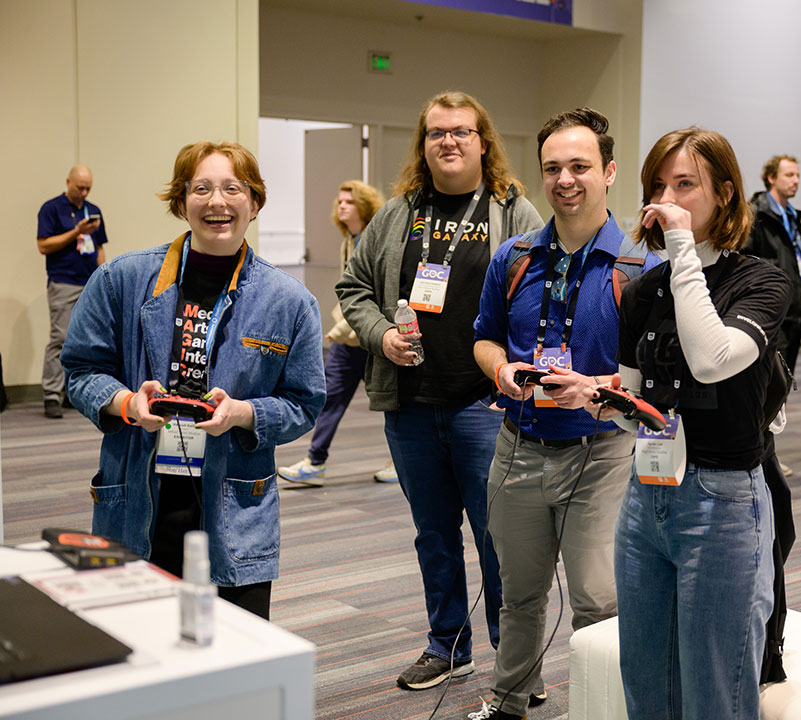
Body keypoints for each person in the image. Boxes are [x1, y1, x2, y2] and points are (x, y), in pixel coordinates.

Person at [61, 141, 326, 619]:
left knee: (235, 653)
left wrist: (244, 412)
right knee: (137, 642)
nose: (217, 202)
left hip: (234, 500)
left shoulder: (289, 301)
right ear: (181, 202)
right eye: (201, 188)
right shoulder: (121, 280)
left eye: (232, 188)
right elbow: (80, 370)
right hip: (141, 493)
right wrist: (125, 403)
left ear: (255, 202)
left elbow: (304, 403)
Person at [336, 90, 544, 691]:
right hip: (411, 406)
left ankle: (515, 659)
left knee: (498, 537)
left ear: (483, 142)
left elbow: (543, 293)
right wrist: (379, 338)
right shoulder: (401, 212)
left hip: (486, 405)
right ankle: (447, 644)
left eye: (460, 131)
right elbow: (354, 288)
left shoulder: (514, 211)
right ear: (422, 143)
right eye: (435, 133)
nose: (447, 142)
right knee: (433, 534)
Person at [587, 128, 790, 720]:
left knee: (715, 695)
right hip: (646, 496)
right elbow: (634, 403)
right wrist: (599, 399)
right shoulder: (643, 290)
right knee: (646, 686)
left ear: (725, 194)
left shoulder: (760, 280)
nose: (666, 197)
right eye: (658, 185)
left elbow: (712, 359)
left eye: (685, 185)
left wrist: (678, 244)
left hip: (723, 501)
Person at [469, 108, 660, 720]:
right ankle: (509, 702)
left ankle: (602, 709)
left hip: (602, 454)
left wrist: (598, 387)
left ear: (608, 172)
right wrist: (502, 372)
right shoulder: (516, 256)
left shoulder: (640, 268)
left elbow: (655, 374)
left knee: (598, 600)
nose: (565, 179)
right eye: (552, 168)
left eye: (579, 166)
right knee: (518, 595)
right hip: (519, 444)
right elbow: (484, 338)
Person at [277, 180, 398, 485]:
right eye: (340, 201)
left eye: (349, 201)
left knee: (391, 402)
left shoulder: (376, 238)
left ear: (364, 206)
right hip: (350, 338)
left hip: (374, 338)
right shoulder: (349, 239)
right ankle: (315, 461)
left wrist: (341, 327)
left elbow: (375, 294)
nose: (341, 206)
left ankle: (400, 462)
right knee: (330, 395)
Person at [36, 165, 108, 418]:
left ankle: (71, 392)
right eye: (80, 187)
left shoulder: (94, 211)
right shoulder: (51, 208)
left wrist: (103, 278)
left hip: (89, 282)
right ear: (68, 182)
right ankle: (51, 395)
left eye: (88, 187)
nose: (84, 192)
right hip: (63, 282)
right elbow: (43, 245)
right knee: (60, 338)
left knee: (85, 340)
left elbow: (99, 248)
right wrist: (77, 232)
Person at [745, 154, 801, 373]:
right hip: (772, 311)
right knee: (769, 378)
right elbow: (744, 260)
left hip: (795, 309)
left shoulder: (791, 216)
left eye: (798, 175)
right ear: (771, 177)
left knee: (785, 378)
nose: (795, 180)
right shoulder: (756, 213)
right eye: (789, 175)